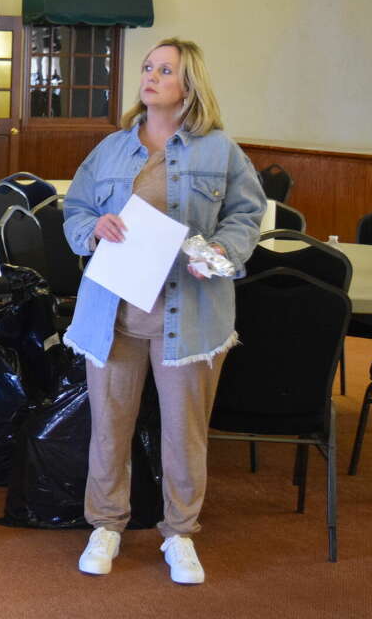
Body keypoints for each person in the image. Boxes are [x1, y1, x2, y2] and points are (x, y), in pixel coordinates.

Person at [61, 38, 265, 585]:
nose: (149, 76)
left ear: (189, 84)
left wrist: (221, 253)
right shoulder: (109, 150)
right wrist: (91, 230)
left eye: (164, 70)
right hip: (114, 313)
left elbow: (247, 213)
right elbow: (76, 209)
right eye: (147, 67)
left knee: (184, 432)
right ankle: (105, 525)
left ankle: (180, 533)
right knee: (109, 427)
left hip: (190, 315)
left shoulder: (219, 151)